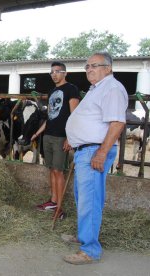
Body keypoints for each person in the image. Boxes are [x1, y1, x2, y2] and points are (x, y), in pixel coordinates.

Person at [63, 52, 128, 264]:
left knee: (89, 201)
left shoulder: (112, 88)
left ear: (108, 68)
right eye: (87, 66)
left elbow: (117, 123)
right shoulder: (96, 89)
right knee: (83, 198)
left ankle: (89, 250)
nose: (89, 69)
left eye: (94, 65)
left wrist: (100, 152)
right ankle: (84, 237)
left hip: (94, 151)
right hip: (85, 150)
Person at [32, 61, 80, 220]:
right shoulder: (52, 91)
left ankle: (59, 208)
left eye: (58, 71)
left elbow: (75, 115)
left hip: (61, 137)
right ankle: (53, 201)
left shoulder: (71, 89)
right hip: (49, 135)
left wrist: (70, 136)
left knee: (59, 171)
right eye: (52, 72)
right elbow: (50, 116)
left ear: (65, 73)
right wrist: (38, 133)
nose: (54, 74)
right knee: (52, 169)